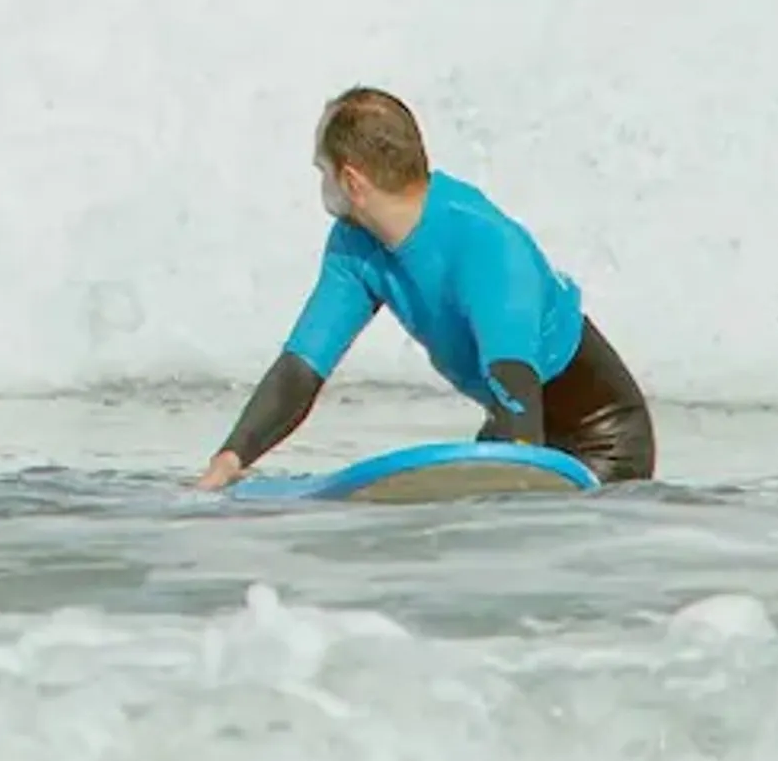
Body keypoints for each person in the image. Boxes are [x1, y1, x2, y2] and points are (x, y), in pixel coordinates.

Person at [195, 86, 653, 487]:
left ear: (352, 181)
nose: (320, 182)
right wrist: (229, 461)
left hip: (601, 444)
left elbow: (514, 383)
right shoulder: (357, 243)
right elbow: (302, 367)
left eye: (322, 170)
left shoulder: (485, 244)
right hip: (517, 426)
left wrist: (517, 510)